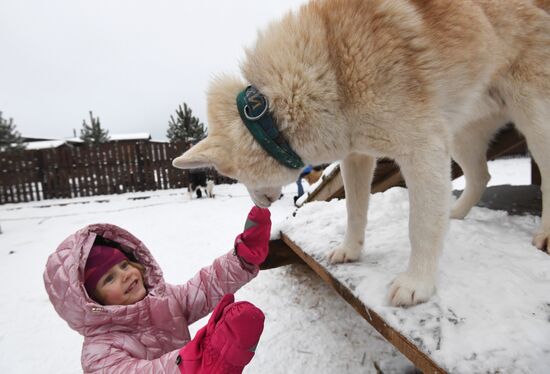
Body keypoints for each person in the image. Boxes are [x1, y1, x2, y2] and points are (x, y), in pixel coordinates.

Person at [43, 206, 271, 374]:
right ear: (91, 301)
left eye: (124, 265)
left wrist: (242, 258)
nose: (125, 275)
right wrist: (195, 361)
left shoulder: (163, 300)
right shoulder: (99, 351)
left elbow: (205, 287)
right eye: (109, 278)